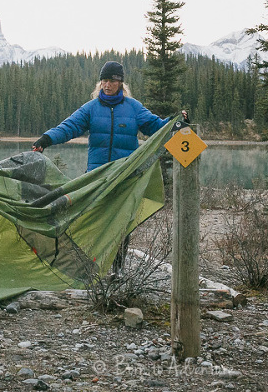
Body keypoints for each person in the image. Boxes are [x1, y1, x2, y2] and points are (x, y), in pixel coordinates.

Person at [31, 61, 186, 271]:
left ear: (120, 83)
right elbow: (69, 127)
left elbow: (156, 126)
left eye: (111, 81)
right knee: (94, 221)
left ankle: (118, 270)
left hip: (125, 177)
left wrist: (176, 121)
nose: (106, 85)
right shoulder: (91, 108)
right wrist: (46, 139)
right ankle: (92, 267)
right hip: (98, 176)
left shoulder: (133, 108)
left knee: (122, 224)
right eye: (103, 80)